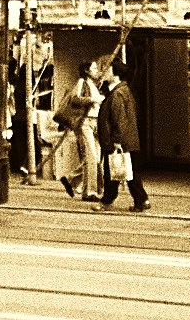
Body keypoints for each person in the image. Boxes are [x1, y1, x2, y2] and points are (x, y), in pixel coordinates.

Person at [95, 59, 149, 212]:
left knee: (113, 172)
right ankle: (141, 200)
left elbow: (120, 119)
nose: (104, 72)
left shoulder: (118, 93)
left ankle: (107, 201)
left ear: (115, 73)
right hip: (127, 140)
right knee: (129, 172)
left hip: (119, 141)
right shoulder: (122, 91)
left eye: (107, 69)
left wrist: (116, 140)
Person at [59, 60, 103, 202]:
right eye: (94, 68)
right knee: (91, 157)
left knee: (93, 158)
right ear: (87, 70)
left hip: (94, 123)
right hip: (85, 123)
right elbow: (75, 99)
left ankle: (71, 179)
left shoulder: (94, 85)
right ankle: (90, 191)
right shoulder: (81, 82)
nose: (96, 70)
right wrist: (92, 99)